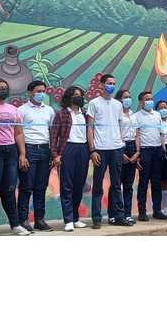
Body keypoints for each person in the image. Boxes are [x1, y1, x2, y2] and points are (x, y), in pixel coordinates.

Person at [0, 79, 31, 236]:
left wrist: (22, 154)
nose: (4, 90)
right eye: (0, 88)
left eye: (5, 88)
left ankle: (15, 225)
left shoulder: (13, 109)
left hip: (10, 151)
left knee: (9, 189)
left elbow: (18, 133)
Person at [86, 74, 131, 228]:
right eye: (109, 83)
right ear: (101, 85)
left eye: (113, 83)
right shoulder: (93, 103)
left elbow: (120, 126)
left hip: (116, 149)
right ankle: (96, 218)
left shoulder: (118, 105)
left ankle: (119, 216)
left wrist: (121, 145)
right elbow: (90, 128)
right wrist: (92, 150)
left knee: (117, 184)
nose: (111, 86)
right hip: (100, 149)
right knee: (98, 185)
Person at [50, 85, 90, 232]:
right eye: (75, 95)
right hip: (68, 149)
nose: (79, 97)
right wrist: (55, 155)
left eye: (80, 95)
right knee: (67, 186)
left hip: (83, 149)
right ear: (69, 98)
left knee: (79, 185)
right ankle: (68, 220)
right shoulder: (62, 114)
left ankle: (75, 218)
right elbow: (54, 136)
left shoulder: (84, 115)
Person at [17, 80, 56, 231]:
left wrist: (53, 152)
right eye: (38, 91)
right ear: (30, 93)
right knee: (26, 186)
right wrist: (22, 154)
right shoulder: (21, 110)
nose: (41, 94)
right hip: (29, 149)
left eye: (43, 91)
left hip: (45, 150)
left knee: (41, 187)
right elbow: (18, 133)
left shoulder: (49, 110)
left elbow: (51, 132)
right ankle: (23, 220)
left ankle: (40, 220)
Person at [134, 92, 167, 221]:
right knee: (143, 182)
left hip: (157, 150)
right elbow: (136, 135)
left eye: (151, 99)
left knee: (156, 182)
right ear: (141, 102)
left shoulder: (157, 115)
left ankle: (157, 210)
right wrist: (138, 153)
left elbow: (161, 133)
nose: (150, 101)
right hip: (145, 151)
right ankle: (142, 212)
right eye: (147, 99)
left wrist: (163, 149)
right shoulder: (136, 116)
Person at [117, 89, 140, 225]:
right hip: (121, 146)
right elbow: (115, 132)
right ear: (119, 99)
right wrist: (122, 152)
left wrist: (137, 151)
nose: (128, 99)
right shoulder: (117, 114)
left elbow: (137, 134)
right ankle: (115, 214)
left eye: (130, 97)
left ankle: (127, 213)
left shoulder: (133, 114)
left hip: (133, 147)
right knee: (117, 184)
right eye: (125, 97)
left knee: (128, 184)